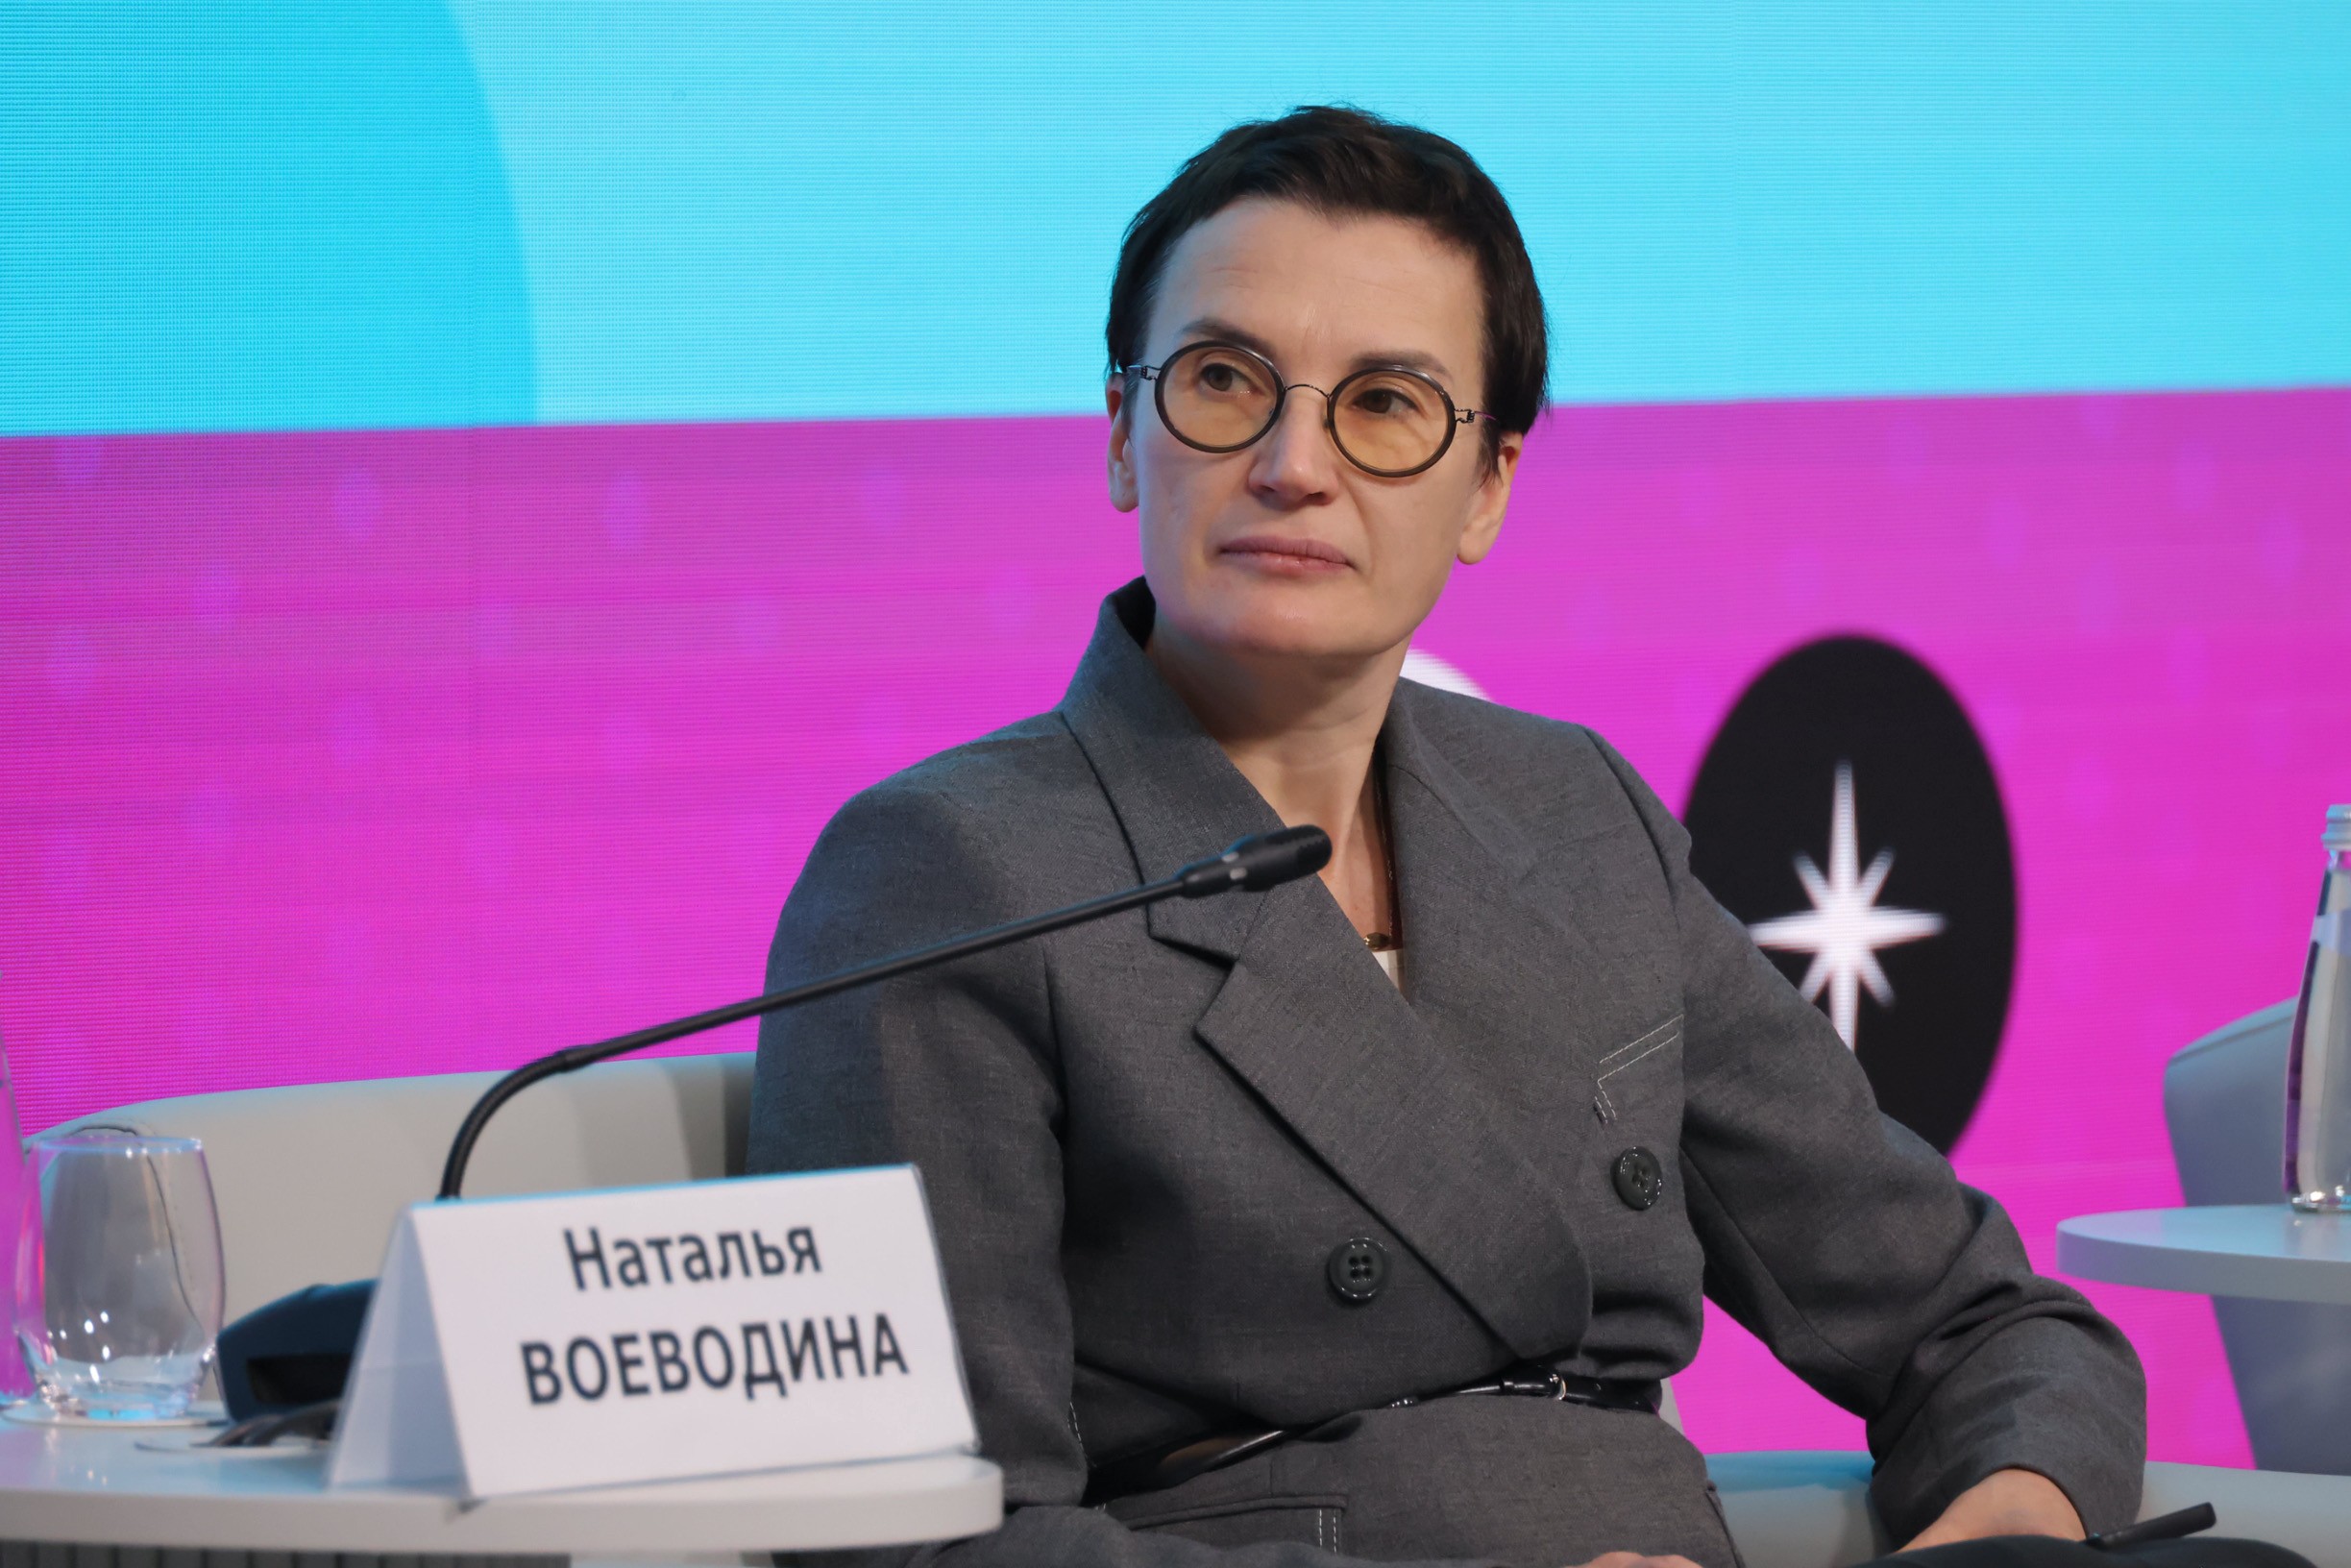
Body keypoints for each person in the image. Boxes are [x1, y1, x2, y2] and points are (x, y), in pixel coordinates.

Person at [749, 108, 2265, 1568]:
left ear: (1489, 488)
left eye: (1385, 405)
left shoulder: (1572, 815)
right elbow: (925, 1541)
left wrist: (2009, 1532)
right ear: (1122, 437)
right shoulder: (947, 871)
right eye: (1223, 381)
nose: (1293, 463)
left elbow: (1985, 1328)